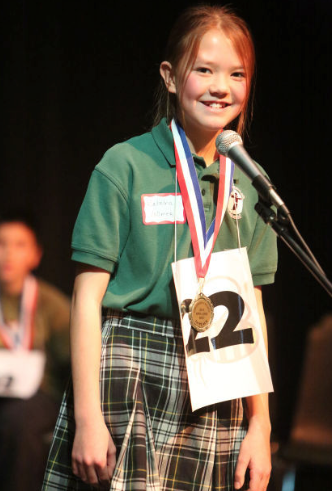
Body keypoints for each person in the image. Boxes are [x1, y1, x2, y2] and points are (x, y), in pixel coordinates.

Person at [42, 4, 277, 491]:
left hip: (219, 375)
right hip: (131, 371)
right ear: (171, 77)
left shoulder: (251, 187)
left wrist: (261, 424)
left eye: (237, 74)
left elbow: (251, 307)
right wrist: (88, 417)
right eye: (204, 70)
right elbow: (86, 299)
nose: (221, 87)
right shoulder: (124, 165)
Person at [0, 210, 71, 491]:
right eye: (2, 244)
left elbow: (72, 359)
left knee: (19, 422)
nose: (8, 254)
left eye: (19, 245)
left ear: (36, 255)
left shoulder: (51, 303)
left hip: (40, 396)